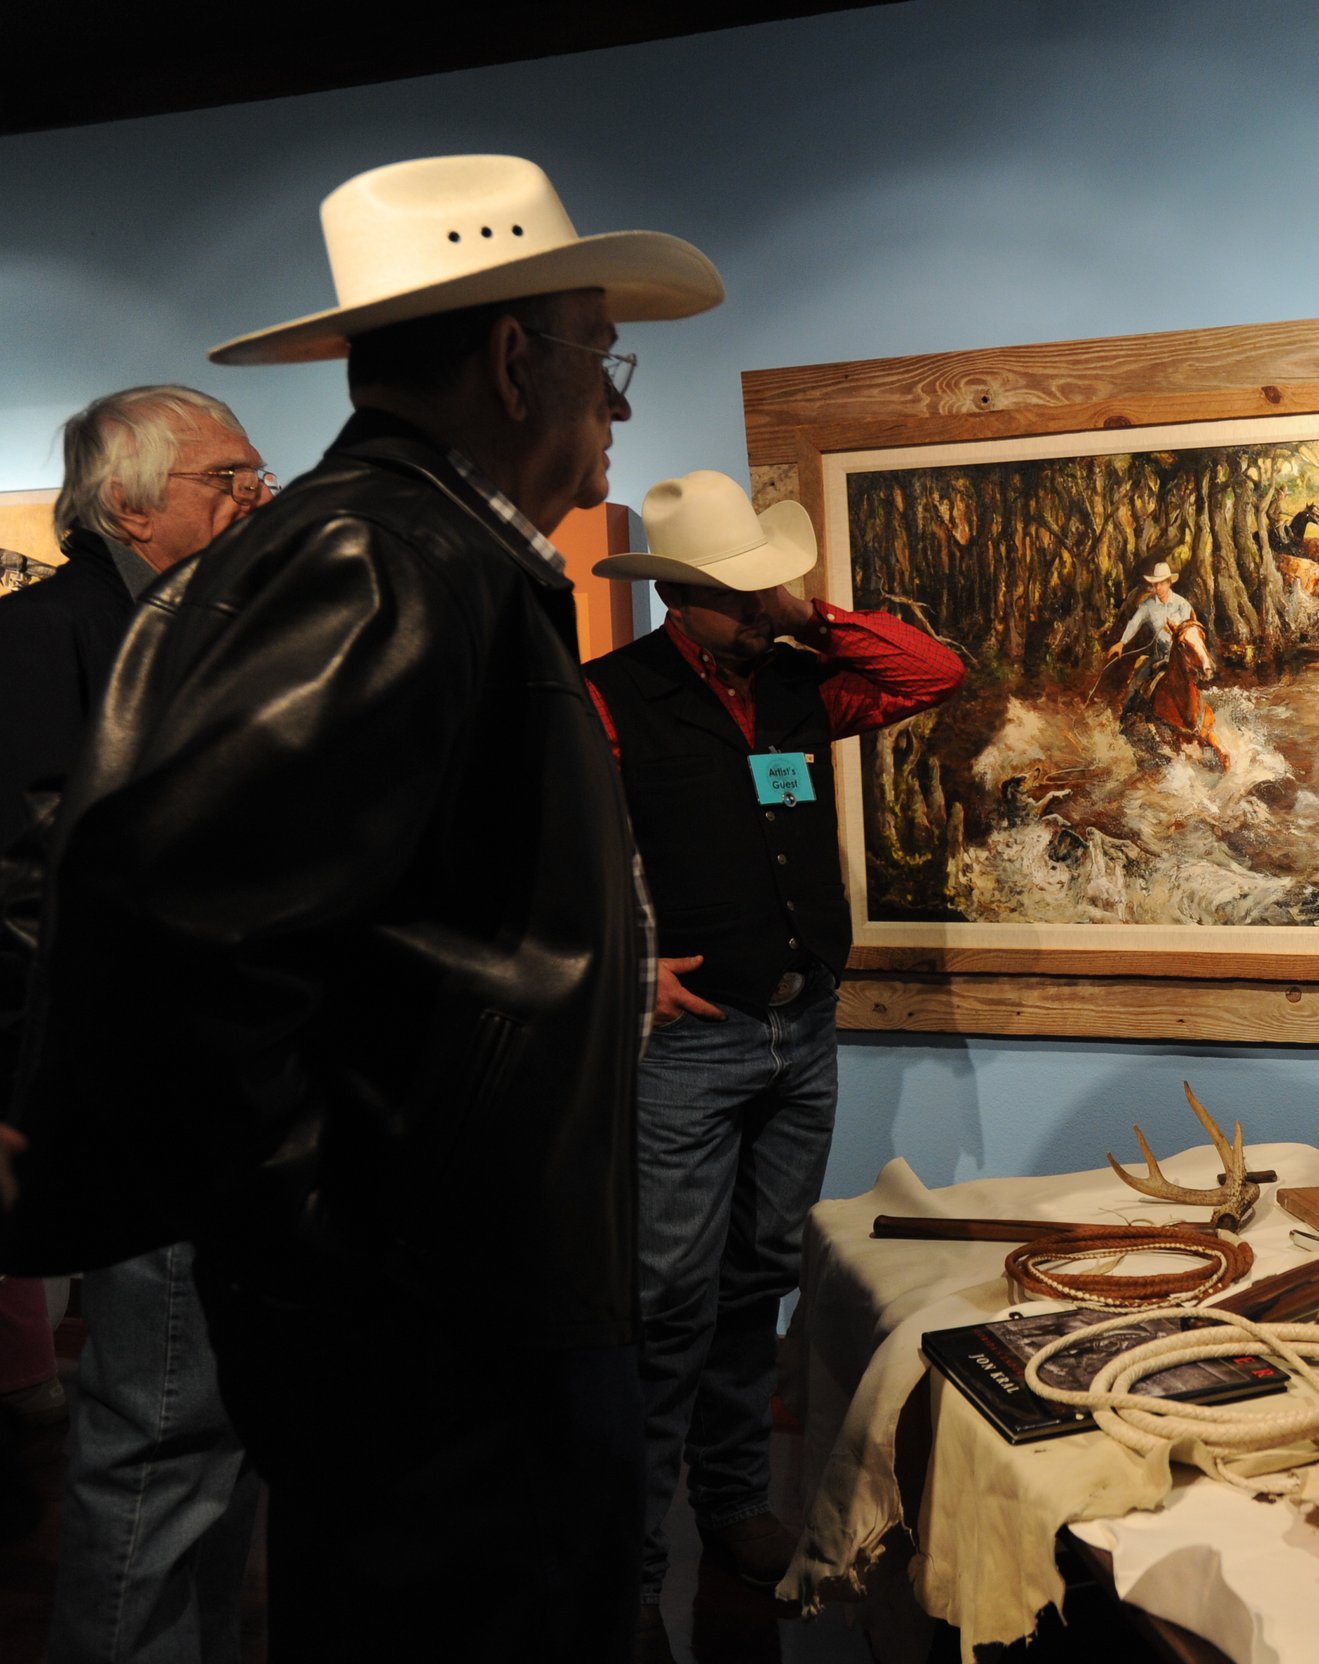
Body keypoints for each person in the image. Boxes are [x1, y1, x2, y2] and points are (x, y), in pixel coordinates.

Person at [2, 154, 723, 1662]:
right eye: (604, 354)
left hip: (459, 1321)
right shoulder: (382, 557)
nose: (622, 400)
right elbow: (176, 936)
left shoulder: (421, 554)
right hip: (445, 1343)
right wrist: (344, 1270)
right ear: (518, 360)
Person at [580, 471, 960, 1658]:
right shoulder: (610, 698)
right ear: (679, 597)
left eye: (766, 588)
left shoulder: (798, 680)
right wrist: (625, 966)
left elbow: (930, 674)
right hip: (688, 1042)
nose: (760, 607)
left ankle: (734, 1503)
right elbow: (553, 852)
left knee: (757, 1276)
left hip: (802, 1026)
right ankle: (630, 1569)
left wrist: (805, 617)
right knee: (665, 1298)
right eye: (739, 594)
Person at [0, 385, 272, 1664]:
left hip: (235, 1092)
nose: (253, 497)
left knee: (223, 1435)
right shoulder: (48, 637)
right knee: (158, 1428)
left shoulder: (209, 633)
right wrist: (30, 1090)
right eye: (226, 479)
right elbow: (29, 889)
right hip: (143, 1096)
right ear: (127, 502)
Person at [1109, 557, 1196, 722]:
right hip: (1159, 656)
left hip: (1181, 657)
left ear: (1170, 583)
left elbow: (1189, 629)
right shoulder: (1148, 605)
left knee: (1193, 683)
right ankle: (1125, 722)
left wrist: (1175, 630)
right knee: (1136, 684)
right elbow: (1134, 622)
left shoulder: (1182, 604)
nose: (1158, 587)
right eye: (1156, 584)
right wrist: (1122, 642)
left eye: (1162, 583)